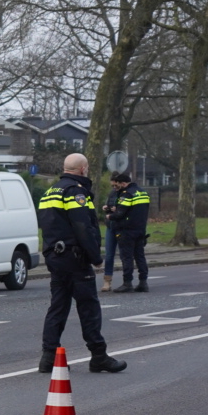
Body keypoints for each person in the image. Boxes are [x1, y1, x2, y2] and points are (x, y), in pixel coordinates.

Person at [37, 153, 126, 374]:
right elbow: (83, 226)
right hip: (75, 258)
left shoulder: (50, 191)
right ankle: (98, 356)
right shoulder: (76, 192)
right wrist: (96, 256)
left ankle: (49, 356)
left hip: (55, 257)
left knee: (58, 306)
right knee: (89, 307)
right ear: (83, 169)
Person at [108, 172, 150, 292]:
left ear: (123, 183)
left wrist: (110, 216)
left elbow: (120, 214)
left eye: (118, 184)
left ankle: (127, 283)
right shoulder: (142, 192)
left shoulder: (127, 194)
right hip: (140, 229)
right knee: (140, 256)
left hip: (127, 230)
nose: (117, 187)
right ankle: (143, 282)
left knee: (127, 257)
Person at [101, 181, 122, 293]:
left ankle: (127, 280)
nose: (114, 188)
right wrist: (107, 208)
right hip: (111, 226)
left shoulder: (126, 194)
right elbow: (108, 205)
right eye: (112, 186)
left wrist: (117, 209)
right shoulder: (112, 193)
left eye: (116, 185)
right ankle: (107, 281)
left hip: (122, 227)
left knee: (125, 254)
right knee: (109, 255)